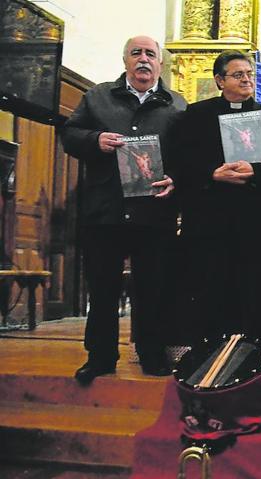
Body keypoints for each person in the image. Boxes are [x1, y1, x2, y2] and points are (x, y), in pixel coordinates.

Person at [62, 36, 185, 385]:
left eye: (150, 54)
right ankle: (100, 357)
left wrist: (176, 179)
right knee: (102, 288)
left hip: (154, 212)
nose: (143, 60)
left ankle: (151, 353)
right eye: (137, 53)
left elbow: (187, 156)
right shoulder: (97, 97)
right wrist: (94, 140)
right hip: (105, 209)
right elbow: (69, 135)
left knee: (152, 288)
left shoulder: (177, 105)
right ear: (125, 61)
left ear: (161, 64)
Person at [171, 50, 261, 342]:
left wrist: (256, 171)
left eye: (250, 74)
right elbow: (179, 161)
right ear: (219, 80)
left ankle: (250, 351)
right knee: (209, 286)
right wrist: (211, 174)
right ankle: (207, 349)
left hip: (254, 221)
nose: (247, 79)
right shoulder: (196, 115)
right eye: (239, 75)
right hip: (209, 220)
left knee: (252, 287)